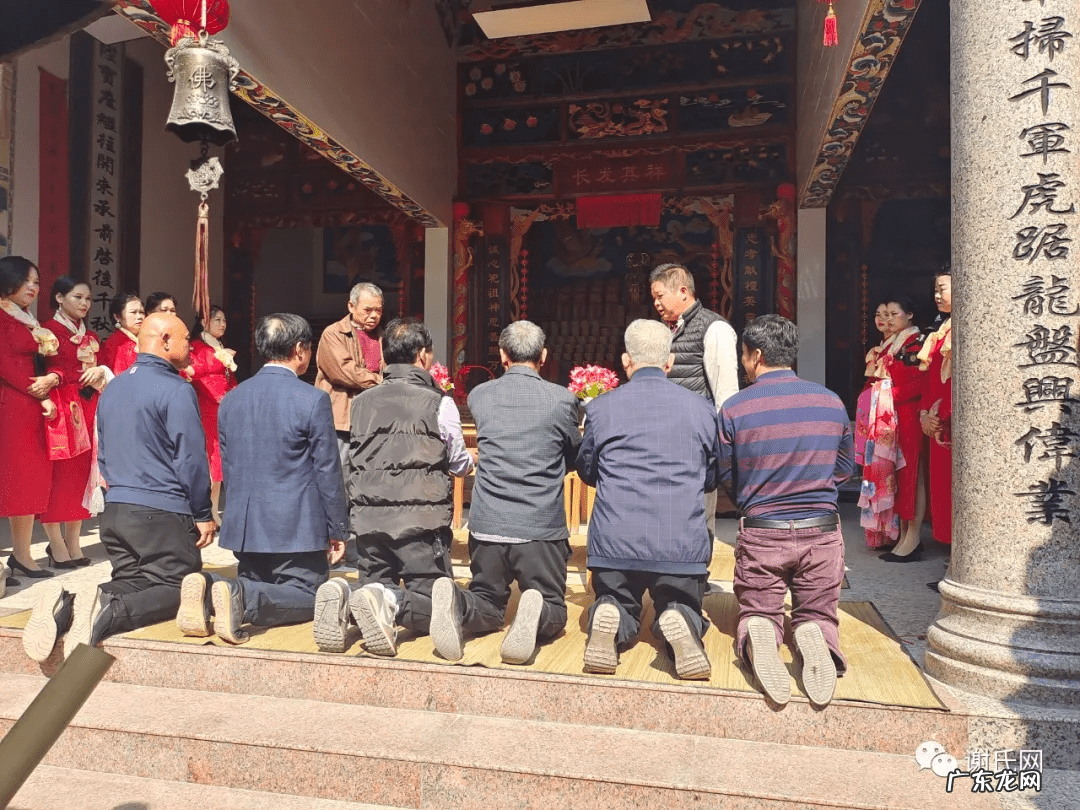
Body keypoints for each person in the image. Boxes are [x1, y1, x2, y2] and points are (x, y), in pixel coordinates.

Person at [21, 313, 216, 662]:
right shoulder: (176, 388)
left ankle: (69, 605)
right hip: (162, 510)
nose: (191, 347)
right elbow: (190, 458)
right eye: (186, 339)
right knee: (181, 587)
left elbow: (104, 454)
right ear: (166, 340)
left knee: (135, 581)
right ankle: (101, 612)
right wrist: (203, 512)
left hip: (118, 511)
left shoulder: (115, 388)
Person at [177, 314, 349, 644]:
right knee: (313, 597)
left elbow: (230, 463)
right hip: (298, 527)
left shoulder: (233, 398)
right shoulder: (312, 398)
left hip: (247, 526)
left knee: (258, 585)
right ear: (301, 349)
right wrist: (337, 528)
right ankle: (236, 593)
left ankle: (217, 590)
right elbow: (327, 469)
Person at [313, 319, 474, 656]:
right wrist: (470, 461)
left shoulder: (361, 403)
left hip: (370, 525)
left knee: (369, 592)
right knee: (437, 607)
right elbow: (459, 463)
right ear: (423, 355)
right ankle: (389, 600)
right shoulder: (438, 403)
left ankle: (348, 602)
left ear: (385, 359)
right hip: (421, 525)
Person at [718, 315, 856, 708]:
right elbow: (845, 470)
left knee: (758, 606)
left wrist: (752, 495)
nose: (743, 364)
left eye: (743, 356)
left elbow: (726, 473)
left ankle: (762, 629)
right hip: (822, 530)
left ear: (756, 355)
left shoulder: (734, 408)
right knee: (819, 610)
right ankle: (814, 635)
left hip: (763, 528)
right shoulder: (830, 401)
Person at [428, 321, 581, 664]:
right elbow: (572, 456)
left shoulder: (481, 396)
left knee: (487, 602)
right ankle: (537, 609)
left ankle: (460, 604)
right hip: (539, 528)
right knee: (555, 607)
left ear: (502, 355)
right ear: (543, 355)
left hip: (488, 524)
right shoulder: (562, 399)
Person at [576, 319, 719, 681]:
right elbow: (712, 477)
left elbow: (588, 471)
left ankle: (609, 612)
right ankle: (678, 616)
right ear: (669, 362)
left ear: (626, 361)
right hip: (679, 542)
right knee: (680, 600)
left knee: (616, 597)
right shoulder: (702, 409)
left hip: (614, 540)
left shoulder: (601, 408)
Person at [649, 263, 739, 534]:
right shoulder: (665, 330)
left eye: (660, 296)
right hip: (664, 438)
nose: (656, 303)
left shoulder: (714, 329)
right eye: (654, 297)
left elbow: (726, 395)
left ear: (684, 291)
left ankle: (699, 574)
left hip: (696, 442)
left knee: (697, 520)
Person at [39, 277, 113, 568]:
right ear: (59, 298)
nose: (84, 303)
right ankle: (55, 543)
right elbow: (42, 368)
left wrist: (100, 372)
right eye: (77, 297)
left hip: (88, 407)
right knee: (60, 475)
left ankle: (73, 541)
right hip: (60, 409)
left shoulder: (91, 335)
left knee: (83, 475)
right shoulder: (47, 331)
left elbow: (103, 366)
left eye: (88, 299)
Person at [314, 282, 384, 567]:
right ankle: (336, 544)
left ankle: (362, 548)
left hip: (372, 422)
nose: (373, 316)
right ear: (351, 306)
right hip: (341, 421)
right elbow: (345, 372)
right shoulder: (334, 333)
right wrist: (381, 381)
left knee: (367, 484)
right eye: (367, 309)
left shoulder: (383, 336)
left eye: (378, 310)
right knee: (338, 484)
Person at [0, 256, 59, 580]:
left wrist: (49, 384)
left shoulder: (27, 319)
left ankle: (22, 554)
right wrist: (38, 390)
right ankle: (16, 555)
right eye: (28, 281)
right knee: (14, 479)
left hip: (31, 404)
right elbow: (5, 365)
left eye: (37, 282)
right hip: (12, 405)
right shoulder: (2, 316)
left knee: (28, 481)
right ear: (9, 281)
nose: (34, 288)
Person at [855, 297, 926, 558]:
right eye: (882, 313)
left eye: (893, 313)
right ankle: (902, 533)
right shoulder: (892, 345)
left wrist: (885, 393)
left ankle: (913, 535)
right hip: (889, 418)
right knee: (894, 476)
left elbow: (919, 383)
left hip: (905, 415)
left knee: (910, 476)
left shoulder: (915, 344)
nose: (887, 318)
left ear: (910, 315)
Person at [182, 305, 237, 523]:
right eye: (217, 320)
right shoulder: (196, 346)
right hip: (205, 407)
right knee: (208, 459)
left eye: (224, 320)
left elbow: (229, 378)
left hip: (222, 409)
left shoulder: (219, 346)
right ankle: (203, 511)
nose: (222, 324)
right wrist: (220, 358)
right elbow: (194, 374)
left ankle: (214, 509)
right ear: (205, 323)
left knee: (219, 461)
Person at [919, 269, 952, 549]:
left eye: (943, 288)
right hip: (936, 420)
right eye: (936, 290)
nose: (937, 296)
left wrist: (943, 415)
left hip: (950, 421)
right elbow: (929, 380)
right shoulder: (941, 331)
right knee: (942, 490)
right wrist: (925, 415)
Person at [97, 293, 144, 374]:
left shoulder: (144, 339)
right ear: (117, 317)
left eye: (142, 312)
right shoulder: (115, 344)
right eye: (133, 312)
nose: (139, 316)